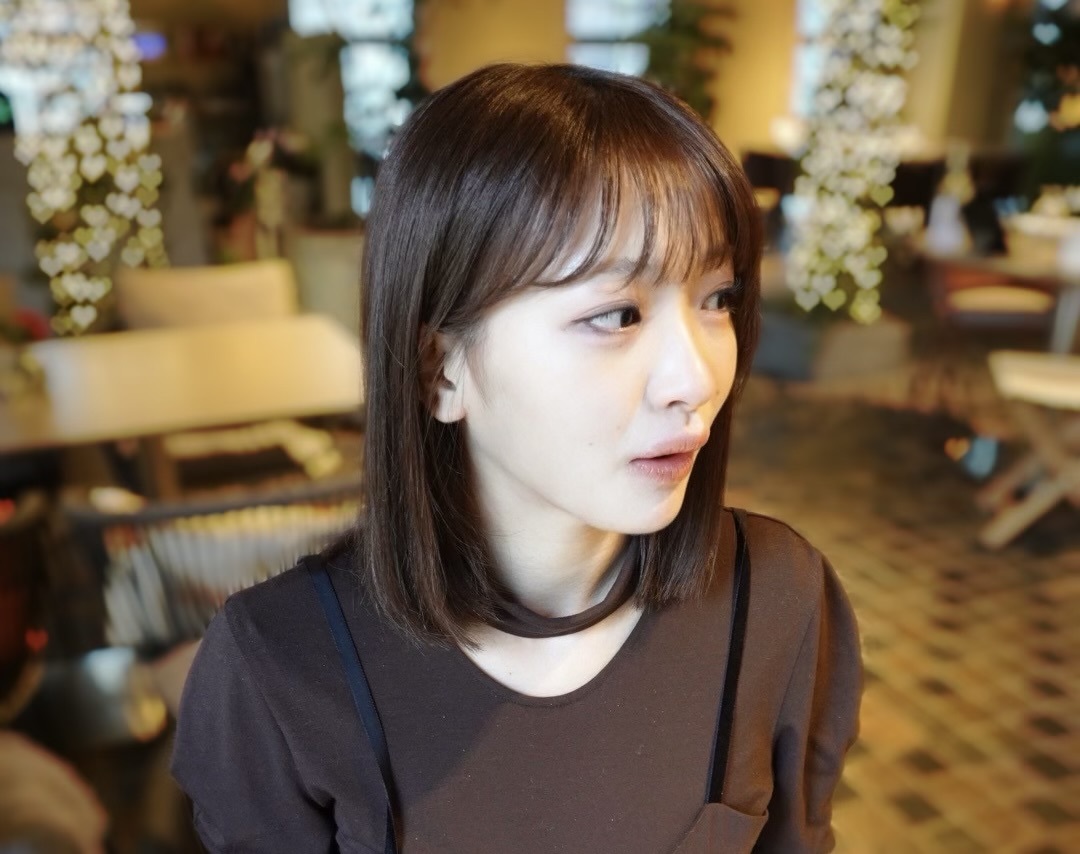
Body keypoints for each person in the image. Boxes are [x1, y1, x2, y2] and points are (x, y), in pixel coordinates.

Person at [171, 63, 862, 853]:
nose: (698, 379)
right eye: (617, 314)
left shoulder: (775, 599)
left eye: (718, 299)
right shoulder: (281, 670)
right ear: (441, 369)